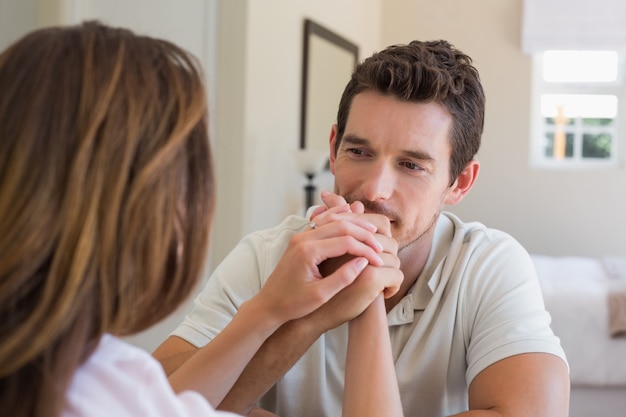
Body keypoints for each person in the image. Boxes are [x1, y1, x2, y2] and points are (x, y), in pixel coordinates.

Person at [0, 21, 405, 417]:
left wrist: (268, 310)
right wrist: (365, 283)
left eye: (410, 164)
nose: (374, 191)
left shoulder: (93, 370)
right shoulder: (103, 387)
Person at [154, 39, 571, 417]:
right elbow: (152, 403)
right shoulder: (266, 255)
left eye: (411, 165)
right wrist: (308, 320)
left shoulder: (487, 264)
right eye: (359, 151)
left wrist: (364, 292)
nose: (374, 188)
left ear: (459, 182)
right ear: (334, 150)